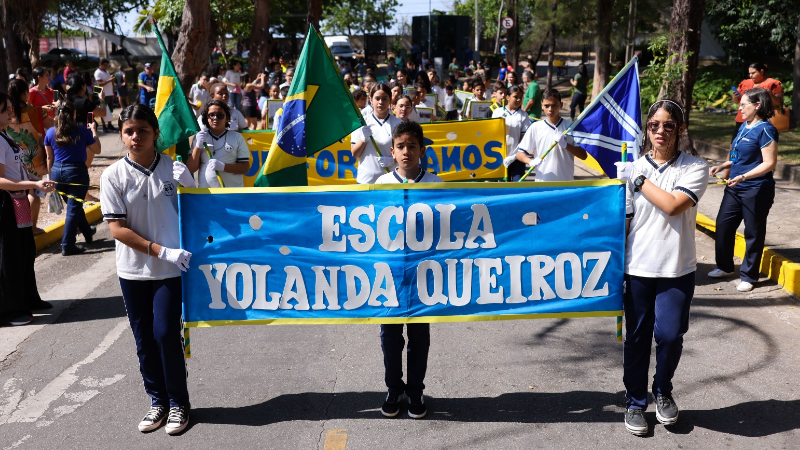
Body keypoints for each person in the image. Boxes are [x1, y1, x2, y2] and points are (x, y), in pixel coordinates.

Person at [614, 99, 709, 436]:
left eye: (669, 125)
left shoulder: (695, 168)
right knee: (637, 338)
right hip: (638, 267)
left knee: (669, 336)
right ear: (647, 128)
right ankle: (636, 402)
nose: (660, 131)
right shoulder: (631, 168)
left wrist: (636, 180)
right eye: (654, 124)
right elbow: (623, 223)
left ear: (680, 129)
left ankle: (663, 390)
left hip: (676, 270)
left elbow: (672, 205)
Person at [100, 104, 192, 434]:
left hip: (170, 271)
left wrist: (191, 186)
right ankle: (158, 401)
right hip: (133, 271)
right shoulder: (112, 175)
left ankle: (179, 402)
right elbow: (117, 229)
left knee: (165, 334)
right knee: (143, 339)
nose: (136, 136)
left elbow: (196, 215)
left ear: (156, 133)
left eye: (143, 130)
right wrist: (160, 250)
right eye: (129, 131)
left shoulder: (174, 169)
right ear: (122, 135)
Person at [374, 120, 441, 419]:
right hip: (390, 274)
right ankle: (393, 388)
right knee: (389, 335)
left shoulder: (436, 184)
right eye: (400, 146)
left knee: (419, 337)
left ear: (422, 150)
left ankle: (415, 391)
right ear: (392, 150)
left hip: (423, 275)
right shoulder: (382, 184)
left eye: (412, 146)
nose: (406, 152)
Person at [708, 87, 778, 292]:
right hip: (735, 187)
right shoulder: (744, 126)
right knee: (723, 225)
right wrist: (724, 165)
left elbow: (769, 163)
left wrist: (745, 176)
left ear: (757, 105)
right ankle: (725, 266)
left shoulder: (766, 129)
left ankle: (749, 276)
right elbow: (738, 156)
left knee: (753, 232)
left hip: (756, 189)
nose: (740, 106)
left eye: (744, 104)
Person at [0, 92, 56, 326]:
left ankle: (28, 299)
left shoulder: (6, 135)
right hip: (5, 204)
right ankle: (10, 310)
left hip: (18, 200)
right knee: (9, 257)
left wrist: (34, 177)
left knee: (25, 250)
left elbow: (15, 170)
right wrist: (34, 184)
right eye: (5, 110)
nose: (11, 112)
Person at [44, 101, 101, 255]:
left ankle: (88, 232)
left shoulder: (50, 132)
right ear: (73, 114)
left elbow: (49, 158)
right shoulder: (82, 131)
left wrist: (50, 178)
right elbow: (98, 149)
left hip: (56, 172)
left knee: (74, 206)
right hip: (76, 172)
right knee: (73, 208)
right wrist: (94, 131)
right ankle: (67, 245)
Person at [515, 89, 587, 181]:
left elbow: (583, 155)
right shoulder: (535, 127)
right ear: (542, 106)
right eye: (546, 105)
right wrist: (531, 161)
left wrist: (566, 145)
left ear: (561, 105)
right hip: (542, 183)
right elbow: (520, 153)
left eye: (554, 105)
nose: (550, 109)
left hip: (566, 183)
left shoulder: (570, 127)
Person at [7, 79, 47, 234]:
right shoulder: (36, 111)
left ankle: (20, 227)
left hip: (13, 158)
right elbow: (51, 125)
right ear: (25, 93)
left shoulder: (7, 113)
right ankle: (32, 227)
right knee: (33, 193)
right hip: (33, 158)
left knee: (17, 194)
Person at [187, 100, 250, 188]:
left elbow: (245, 168)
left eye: (220, 115)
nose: (215, 118)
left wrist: (223, 167)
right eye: (211, 115)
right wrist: (198, 146)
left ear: (227, 117)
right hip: (207, 194)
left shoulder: (237, 137)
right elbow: (190, 169)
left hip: (232, 193)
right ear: (206, 117)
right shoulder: (200, 138)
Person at [350, 83, 403, 184]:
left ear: (390, 100)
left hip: (391, 182)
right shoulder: (362, 123)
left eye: (385, 98)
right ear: (370, 99)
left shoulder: (399, 124)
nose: (380, 102)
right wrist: (363, 139)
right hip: (366, 182)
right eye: (377, 98)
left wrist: (392, 160)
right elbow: (354, 153)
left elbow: (405, 153)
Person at [731, 63, 783, 140]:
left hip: (760, 121)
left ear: (761, 72)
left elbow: (778, 104)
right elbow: (736, 101)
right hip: (742, 120)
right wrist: (735, 97)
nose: (750, 76)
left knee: (756, 147)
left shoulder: (772, 84)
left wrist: (770, 94)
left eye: (753, 73)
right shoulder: (745, 83)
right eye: (749, 73)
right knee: (734, 146)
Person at [496, 86, 532, 180]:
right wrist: (498, 121)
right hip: (501, 157)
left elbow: (524, 138)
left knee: (517, 185)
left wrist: (514, 156)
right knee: (503, 188)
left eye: (521, 97)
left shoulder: (523, 115)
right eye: (516, 97)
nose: (519, 99)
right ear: (507, 97)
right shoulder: (498, 112)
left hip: (518, 157)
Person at [94, 59, 117, 132]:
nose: (106, 66)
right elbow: (100, 83)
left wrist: (111, 78)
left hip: (109, 93)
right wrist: (110, 80)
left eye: (107, 65)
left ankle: (109, 125)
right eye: (105, 65)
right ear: (100, 64)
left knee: (110, 110)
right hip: (103, 94)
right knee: (103, 110)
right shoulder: (98, 72)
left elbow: (106, 80)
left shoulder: (106, 71)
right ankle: (104, 126)